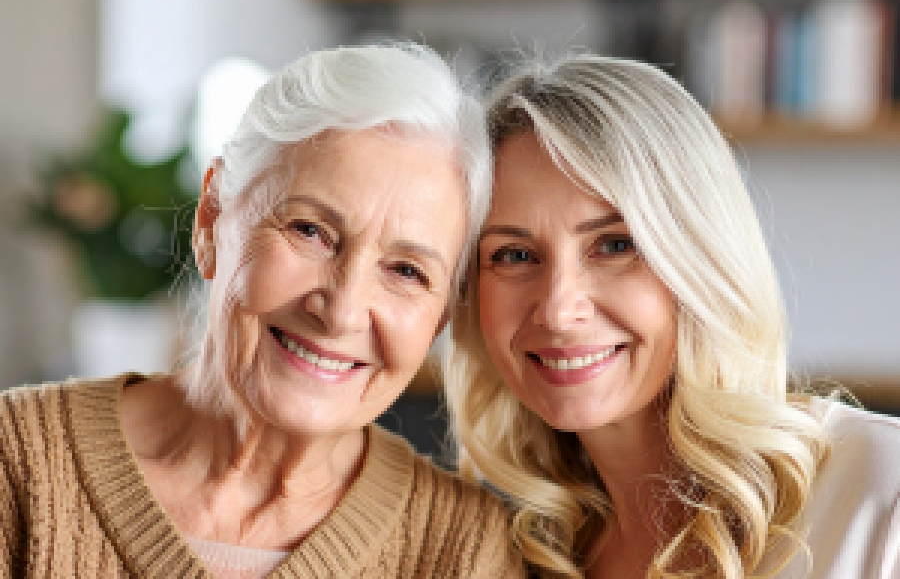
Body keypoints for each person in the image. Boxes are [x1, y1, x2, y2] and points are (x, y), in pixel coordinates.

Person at [0, 43, 524, 578]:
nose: (341, 312)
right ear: (213, 216)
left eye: (407, 271)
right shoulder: (17, 466)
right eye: (310, 231)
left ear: (441, 315)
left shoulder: (461, 551)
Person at [441, 53, 900, 578]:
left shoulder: (880, 495)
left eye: (615, 245)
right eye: (514, 256)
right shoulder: (517, 551)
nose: (559, 310)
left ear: (701, 256)